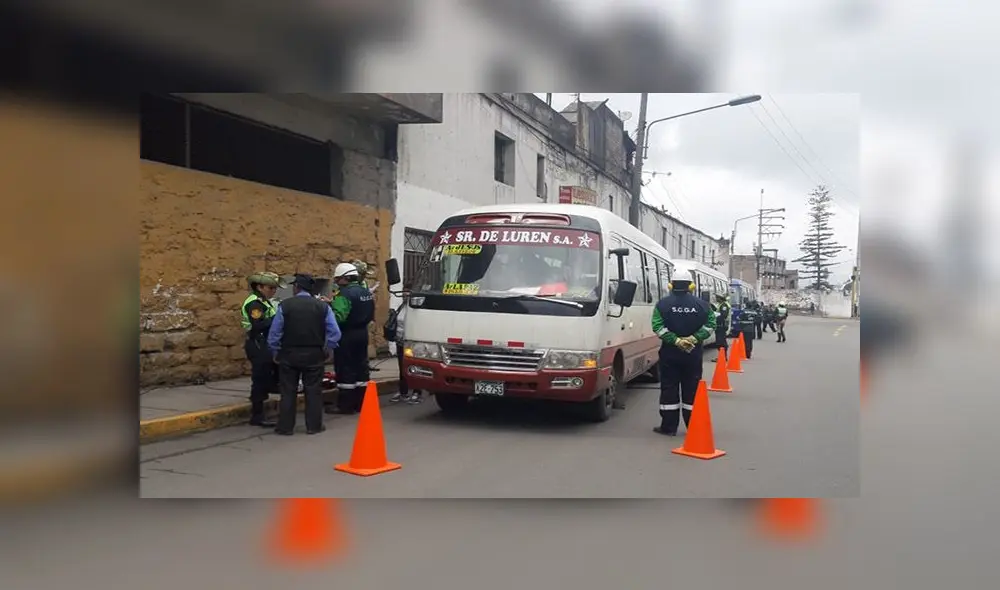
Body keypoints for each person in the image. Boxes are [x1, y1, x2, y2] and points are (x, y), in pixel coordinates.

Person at [267, 274, 341, 435]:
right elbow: (334, 332)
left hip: (289, 353)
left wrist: (275, 350)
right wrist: (328, 348)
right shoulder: (322, 307)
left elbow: (275, 333)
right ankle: (314, 426)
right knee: (313, 391)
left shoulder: (285, 306)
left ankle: (285, 427)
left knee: (288, 391)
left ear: (297, 287)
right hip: (314, 354)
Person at [650, 273, 716, 436]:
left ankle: (669, 427)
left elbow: (657, 327)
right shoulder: (703, 305)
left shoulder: (662, 305)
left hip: (670, 354)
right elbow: (711, 325)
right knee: (691, 389)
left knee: (669, 389)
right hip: (693, 355)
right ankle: (693, 426)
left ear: (671, 285)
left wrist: (676, 341)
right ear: (691, 286)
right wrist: (694, 338)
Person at [326, 262, 376, 414]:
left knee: (345, 368)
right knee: (361, 368)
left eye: (337, 279)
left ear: (344, 279)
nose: (336, 282)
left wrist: (328, 308)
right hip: (362, 333)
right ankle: (361, 403)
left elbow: (339, 317)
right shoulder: (365, 291)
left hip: (347, 335)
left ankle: (345, 405)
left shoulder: (344, 294)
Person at [240, 272, 286, 428]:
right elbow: (258, 325)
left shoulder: (264, 301)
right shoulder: (255, 304)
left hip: (264, 343)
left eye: (274, 288)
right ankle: (257, 415)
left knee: (268, 376)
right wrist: (278, 318)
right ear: (259, 287)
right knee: (259, 379)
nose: (273, 291)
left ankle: (265, 407)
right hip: (258, 344)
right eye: (270, 288)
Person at [386, 296, 423, 404]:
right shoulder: (402, 306)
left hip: (411, 343)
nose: (406, 294)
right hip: (400, 342)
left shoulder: (417, 308)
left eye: (408, 292)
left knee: (415, 367)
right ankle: (403, 392)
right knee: (402, 368)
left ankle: (417, 392)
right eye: (404, 291)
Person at [709, 293, 731, 361]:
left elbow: (723, 316)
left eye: (717, 297)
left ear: (720, 298)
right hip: (720, 326)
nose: (716, 299)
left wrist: (715, 318)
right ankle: (722, 357)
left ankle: (723, 357)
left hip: (722, 326)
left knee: (721, 342)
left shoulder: (724, 305)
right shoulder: (721, 305)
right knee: (720, 341)